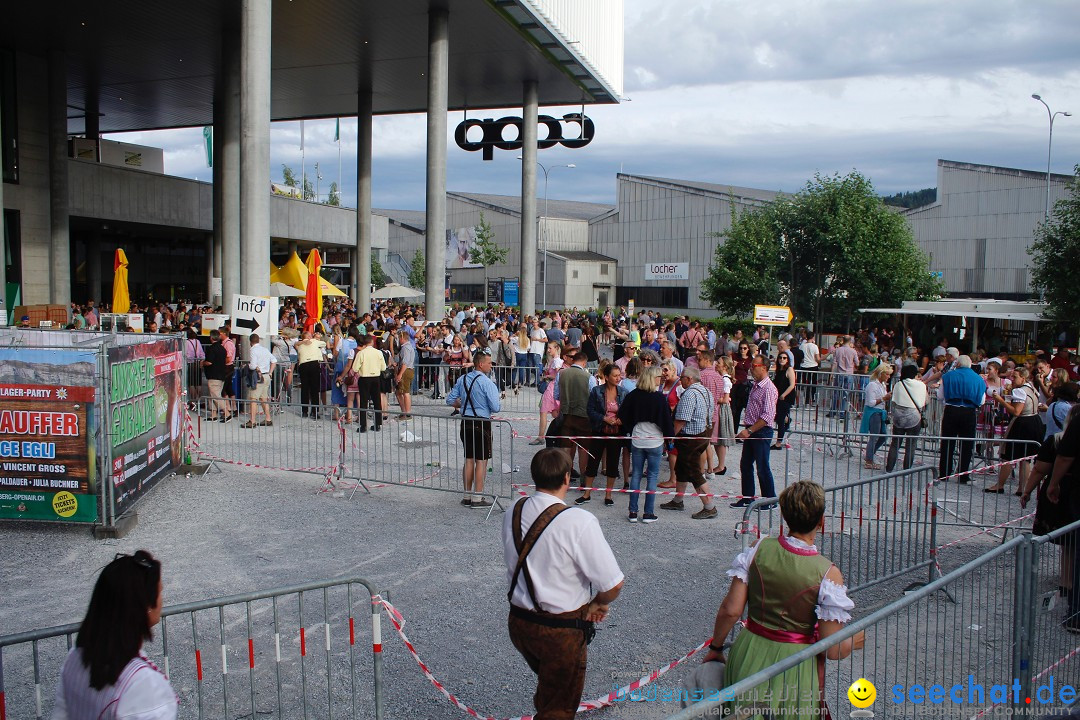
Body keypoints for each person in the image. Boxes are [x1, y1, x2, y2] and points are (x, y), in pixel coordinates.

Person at [698, 481, 862, 719]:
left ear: (784, 515)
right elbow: (834, 649)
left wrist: (716, 647)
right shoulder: (827, 573)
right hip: (794, 664)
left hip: (749, 650)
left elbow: (731, 610)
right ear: (821, 521)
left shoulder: (758, 547)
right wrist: (857, 638)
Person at [504, 448, 624, 720]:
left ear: (535, 477)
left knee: (552, 689)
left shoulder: (515, 508)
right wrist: (599, 603)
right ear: (567, 478)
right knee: (559, 706)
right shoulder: (578, 520)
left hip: (520, 622)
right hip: (560, 630)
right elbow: (614, 583)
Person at [53, 550, 177, 719]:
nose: (162, 601)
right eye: (160, 592)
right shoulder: (143, 684)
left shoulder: (74, 657)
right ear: (145, 606)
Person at [659, 367, 718, 519]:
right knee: (682, 468)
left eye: (683, 377)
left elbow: (681, 420)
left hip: (690, 438)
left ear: (690, 379)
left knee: (693, 472)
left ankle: (709, 506)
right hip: (703, 434)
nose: (681, 380)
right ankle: (678, 500)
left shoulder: (689, 394)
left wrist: (671, 436)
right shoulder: (706, 392)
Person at [618, 366, 674, 523]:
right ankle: (648, 513)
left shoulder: (633, 395)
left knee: (635, 474)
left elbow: (622, 414)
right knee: (652, 476)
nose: (660, 379)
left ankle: (633, 512)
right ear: (653, 378)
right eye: (658, 377)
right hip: (654, 441)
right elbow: (666, 421)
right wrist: (669, 438)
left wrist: (629, 428)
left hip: (637, 439)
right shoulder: (658, 398)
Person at [446, 348, 501, 508]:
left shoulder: (462, 379)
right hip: (482, 423)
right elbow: (496, 407)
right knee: (481, 461)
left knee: (468, 459)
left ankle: (467, 495)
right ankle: (478, 497)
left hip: (466, 422)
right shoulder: (487, 382)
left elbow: (450, 400)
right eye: (489, 363)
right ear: (481, 364)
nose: (491, 366)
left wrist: (463, 404)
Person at [577, 364, 628, 506]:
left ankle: (608, 494)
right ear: (606, 377)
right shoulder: (596, 391)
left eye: (619, 375)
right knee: (593, 461)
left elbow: (627, 412)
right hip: (599, 430)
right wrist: (604, 418)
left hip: (616, 433)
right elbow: (590, 410)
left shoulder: (624, 393)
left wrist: (620, 420)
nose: (618, 378)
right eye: (615, 375)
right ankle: (586, 493)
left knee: (612, 463)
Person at [986, 366, 1043, 494]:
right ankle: (1022, 488)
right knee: (1025, 457)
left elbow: (1016, 411)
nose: (1012, 379)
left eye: (1015, 377)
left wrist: (1001, 400)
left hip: (1023, 423)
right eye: (1011, 376)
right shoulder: (1031, 387)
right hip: (1034, 421)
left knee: (1009, 456)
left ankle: (1000, 485)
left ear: (1023, 378)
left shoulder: (1020, 391)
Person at [732, 356, 778, 508]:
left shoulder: (769, 389)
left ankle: (770, 500)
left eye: (754, 365)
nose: (751, 368)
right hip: (752, 430)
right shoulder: (755, 385)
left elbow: (767, 416)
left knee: (762, 466)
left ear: (764, 367)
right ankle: (747, 497)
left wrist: (749, 430)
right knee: (745, 464)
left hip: (761, 431)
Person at [938, 355, 987, 482]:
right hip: (969, 411)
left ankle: (944, 473)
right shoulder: (979, 379)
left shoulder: (947, 376)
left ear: (957, 364)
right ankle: (963, 474)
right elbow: (982, 400)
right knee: (967, 444)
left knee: (947, 443)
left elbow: (940, 396)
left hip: (951, 410)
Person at [555, 350, 597, 480]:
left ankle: (565, 476)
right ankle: (583, 478)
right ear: (584, 363)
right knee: (583, 448)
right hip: (583, 416)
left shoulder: (561, 374)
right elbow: (593, 398)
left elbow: (556, 395)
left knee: (566, 447)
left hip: (566, 415)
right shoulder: (589, 377)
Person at [886, 364, 928, 472]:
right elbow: (925, 402)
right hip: (914, 416)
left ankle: (889, 468)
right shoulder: (921, 385)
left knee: (895, 443)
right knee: (911, 445)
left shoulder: (898, 384)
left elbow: (894, 402)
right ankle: (907, 469)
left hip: (899, 417)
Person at [860, 363, 893, 470]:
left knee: (883, 436)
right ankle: (869, 460)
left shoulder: (882, 385)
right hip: (873, 412)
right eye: (887, 374)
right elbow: (870, 402)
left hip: (880, 412)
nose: (888, 377)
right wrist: (884, 398)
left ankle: (870, 454)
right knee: (874, 437)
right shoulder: (872, 385)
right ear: (881, 374)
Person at [352, 333, 386, 433]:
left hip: (364, 378)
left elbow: (354, 368)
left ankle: (363, 426)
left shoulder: (361, 353)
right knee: (377, 401)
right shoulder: (378, 353)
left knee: (363, 402)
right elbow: (383, 367)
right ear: (372, 342)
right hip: (376, 377)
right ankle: (377, 424)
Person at [243, 335, 275, 428]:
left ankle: (252, 421)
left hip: (258, 377)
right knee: (263, 398)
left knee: (253, 399)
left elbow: (253, 366)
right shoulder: (265, 349)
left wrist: (247, 366)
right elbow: (274, 360)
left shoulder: (253, 350)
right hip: (266, 376)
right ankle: (268, 418)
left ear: (250, 342)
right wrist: (270, 372)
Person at [201, 330, 231, 422]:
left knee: (215, 396)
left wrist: (202, 363)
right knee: (212, 395)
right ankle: (213, 415)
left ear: (211, 337)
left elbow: (209, 362)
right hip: (221, 374)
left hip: (214, 375)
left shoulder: (211, 349)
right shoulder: (223, 349)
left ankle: (227, 413)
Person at [772, 351, 797, 450]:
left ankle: (778, 442)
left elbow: (792, 384)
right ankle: (787, 419)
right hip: (779, 396)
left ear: (787, 360)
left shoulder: (789, 369)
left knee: (780, 420)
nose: (782, 359)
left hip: (786, 397)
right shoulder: (778, 370)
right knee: (779, 416)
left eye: (784, 358)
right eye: (780, 358)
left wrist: (784, 395)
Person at [394, 329, 416, 419]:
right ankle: (404, 411)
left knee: (405, 392)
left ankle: (407, 413)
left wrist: (399, 374)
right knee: (400, 392)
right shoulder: (409, 347)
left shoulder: (405, 348)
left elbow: (405, 363)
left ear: (402, 338)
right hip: (408, 370)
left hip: (405, 371)